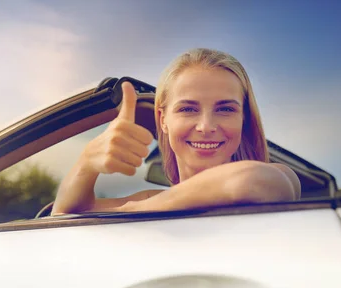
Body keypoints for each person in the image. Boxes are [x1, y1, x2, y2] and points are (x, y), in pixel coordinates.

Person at [51, 48, 301, 215]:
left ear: (243, 120)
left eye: (225, 109)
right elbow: (65, 216)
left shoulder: (276, 174)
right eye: (188, 109)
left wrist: (136, 211)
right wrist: (86, 163)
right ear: (163, 120)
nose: (206, 126)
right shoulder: (150, 198)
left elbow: (252, 182)